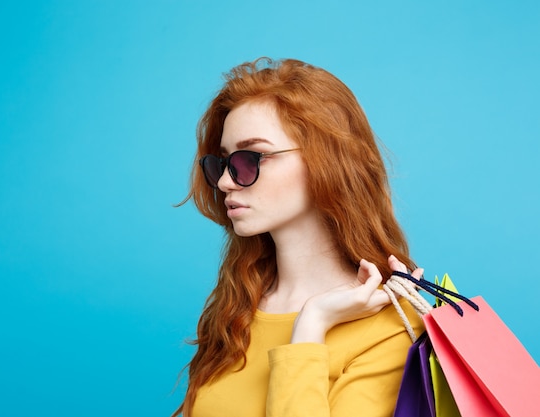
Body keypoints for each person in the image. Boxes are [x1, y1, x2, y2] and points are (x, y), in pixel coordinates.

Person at [173, 57, 424, 417]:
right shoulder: (238, 307)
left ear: (328, 161)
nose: (226, 181)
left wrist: (312, 325)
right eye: (223, 163)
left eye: (252, 158)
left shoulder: (392, 329)